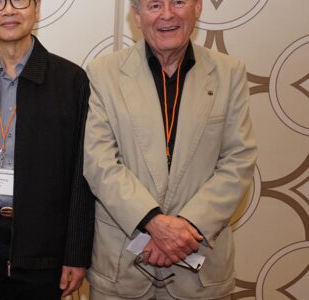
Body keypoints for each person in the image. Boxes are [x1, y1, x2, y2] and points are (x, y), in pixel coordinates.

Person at [82, 0, 258, 299]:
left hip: (200, 270)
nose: (167, 14)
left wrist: (184, 229)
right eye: (154, 5)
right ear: (136, 15)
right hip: (122, 267)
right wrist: (153, 222)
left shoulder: (230, 73)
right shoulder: (103, 73)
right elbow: (99, 161)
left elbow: (238, 161)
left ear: (198, 8)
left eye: (178, 2)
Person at [0, 0, 94, 299]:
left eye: (21, 1)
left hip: (44, 245)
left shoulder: (70, 81)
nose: (9, 10)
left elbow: (83, 173)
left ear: (36, 9)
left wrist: (76, 254)